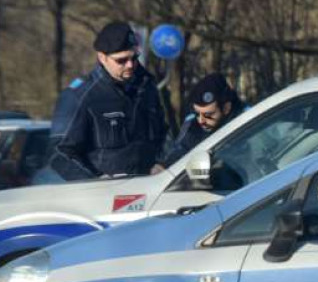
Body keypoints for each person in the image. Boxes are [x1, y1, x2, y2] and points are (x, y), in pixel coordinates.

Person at [48, 21, 166, 180]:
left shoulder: (147, 87)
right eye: (121, 60)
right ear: (102, 58)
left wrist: (162, 162)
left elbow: (162, 135)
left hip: (150, 187)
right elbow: (59, 153)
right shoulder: (80, 95)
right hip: (104, 191)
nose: (130, 65)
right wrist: (95, 181)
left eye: (134, 57)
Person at [151, 73, 243, 172]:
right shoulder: (193, 122)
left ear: (226, 108)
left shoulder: (247, 121)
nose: (201, 121)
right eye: (197, 113)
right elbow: (182, 147)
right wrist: (165, 166)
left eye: (208, 115)